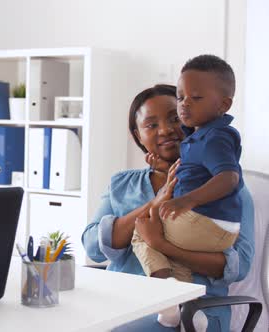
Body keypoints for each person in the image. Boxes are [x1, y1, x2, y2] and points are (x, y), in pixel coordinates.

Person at [81, 84, 254, 332]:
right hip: (122, 303)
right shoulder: (122, 183)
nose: (166, 130)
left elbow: (240, 267)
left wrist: (163, 246)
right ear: (137, 135)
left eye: (175, 118)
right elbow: (92, 247)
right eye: (151, 125)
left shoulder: (226, 189)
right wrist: (155, 203)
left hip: (192, 314)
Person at [131, 55, 244, 328]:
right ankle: (186, 311)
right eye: (181, 98)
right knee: (176, 268)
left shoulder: (215, 137)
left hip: (206, 223)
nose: (184, 107)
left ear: (223, 104)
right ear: (137, 135)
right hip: (207, 228)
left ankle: (168, 302)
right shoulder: (199, 138)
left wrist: (186, 201)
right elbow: (94, 246)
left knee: (141, 231)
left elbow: (229, 177)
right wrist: (162, 169)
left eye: (195, 98)